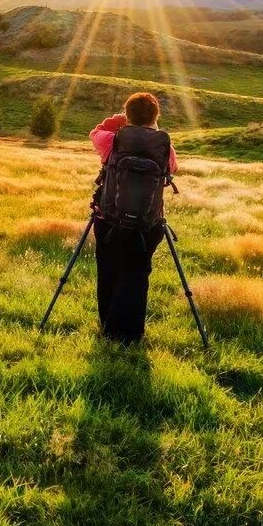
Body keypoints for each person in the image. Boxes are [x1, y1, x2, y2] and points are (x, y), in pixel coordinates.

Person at [89, 92, 177, 343]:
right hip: (147, 224)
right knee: (137, 273)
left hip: (110, 219)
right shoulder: (164, 147)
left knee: (108, 270)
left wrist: (117, 121)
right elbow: (173, 167)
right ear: (156, 116)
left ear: (127, 116)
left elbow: (95, 133)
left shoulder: (112, 140)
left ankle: (108, 329)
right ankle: (130, 334)